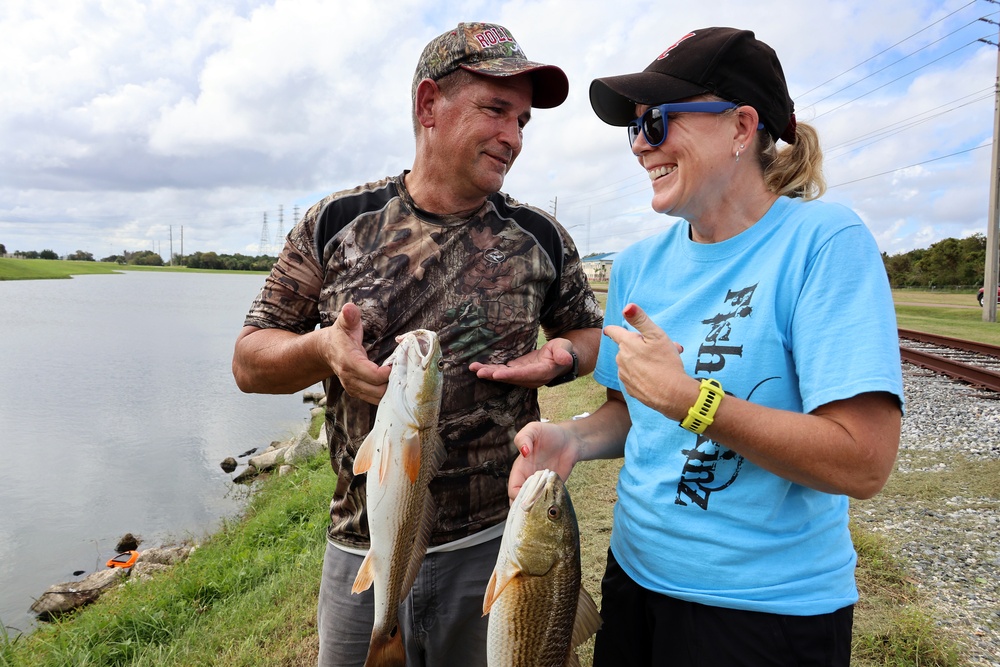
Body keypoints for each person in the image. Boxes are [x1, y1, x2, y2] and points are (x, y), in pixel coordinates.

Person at [510, 26, 904, 666]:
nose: (640, 145)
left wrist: (695, 402)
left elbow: (863, 462)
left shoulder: (823, 243)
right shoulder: (638, 265)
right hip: (634, 582)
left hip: (765, 614)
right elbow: (629, 412)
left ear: (741, 127)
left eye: (658, 123)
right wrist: (574, 439)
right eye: (633, 128)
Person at [231, 21, 603, 667]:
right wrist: (323, 350)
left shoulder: (540, 234)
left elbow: (585, 332)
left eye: (522, 121)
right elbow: (249, 361)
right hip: (363, 544)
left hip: (501, 544)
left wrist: (562, 357)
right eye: (495, 110)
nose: (513, 137)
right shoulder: (337, 223)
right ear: (429, 104)